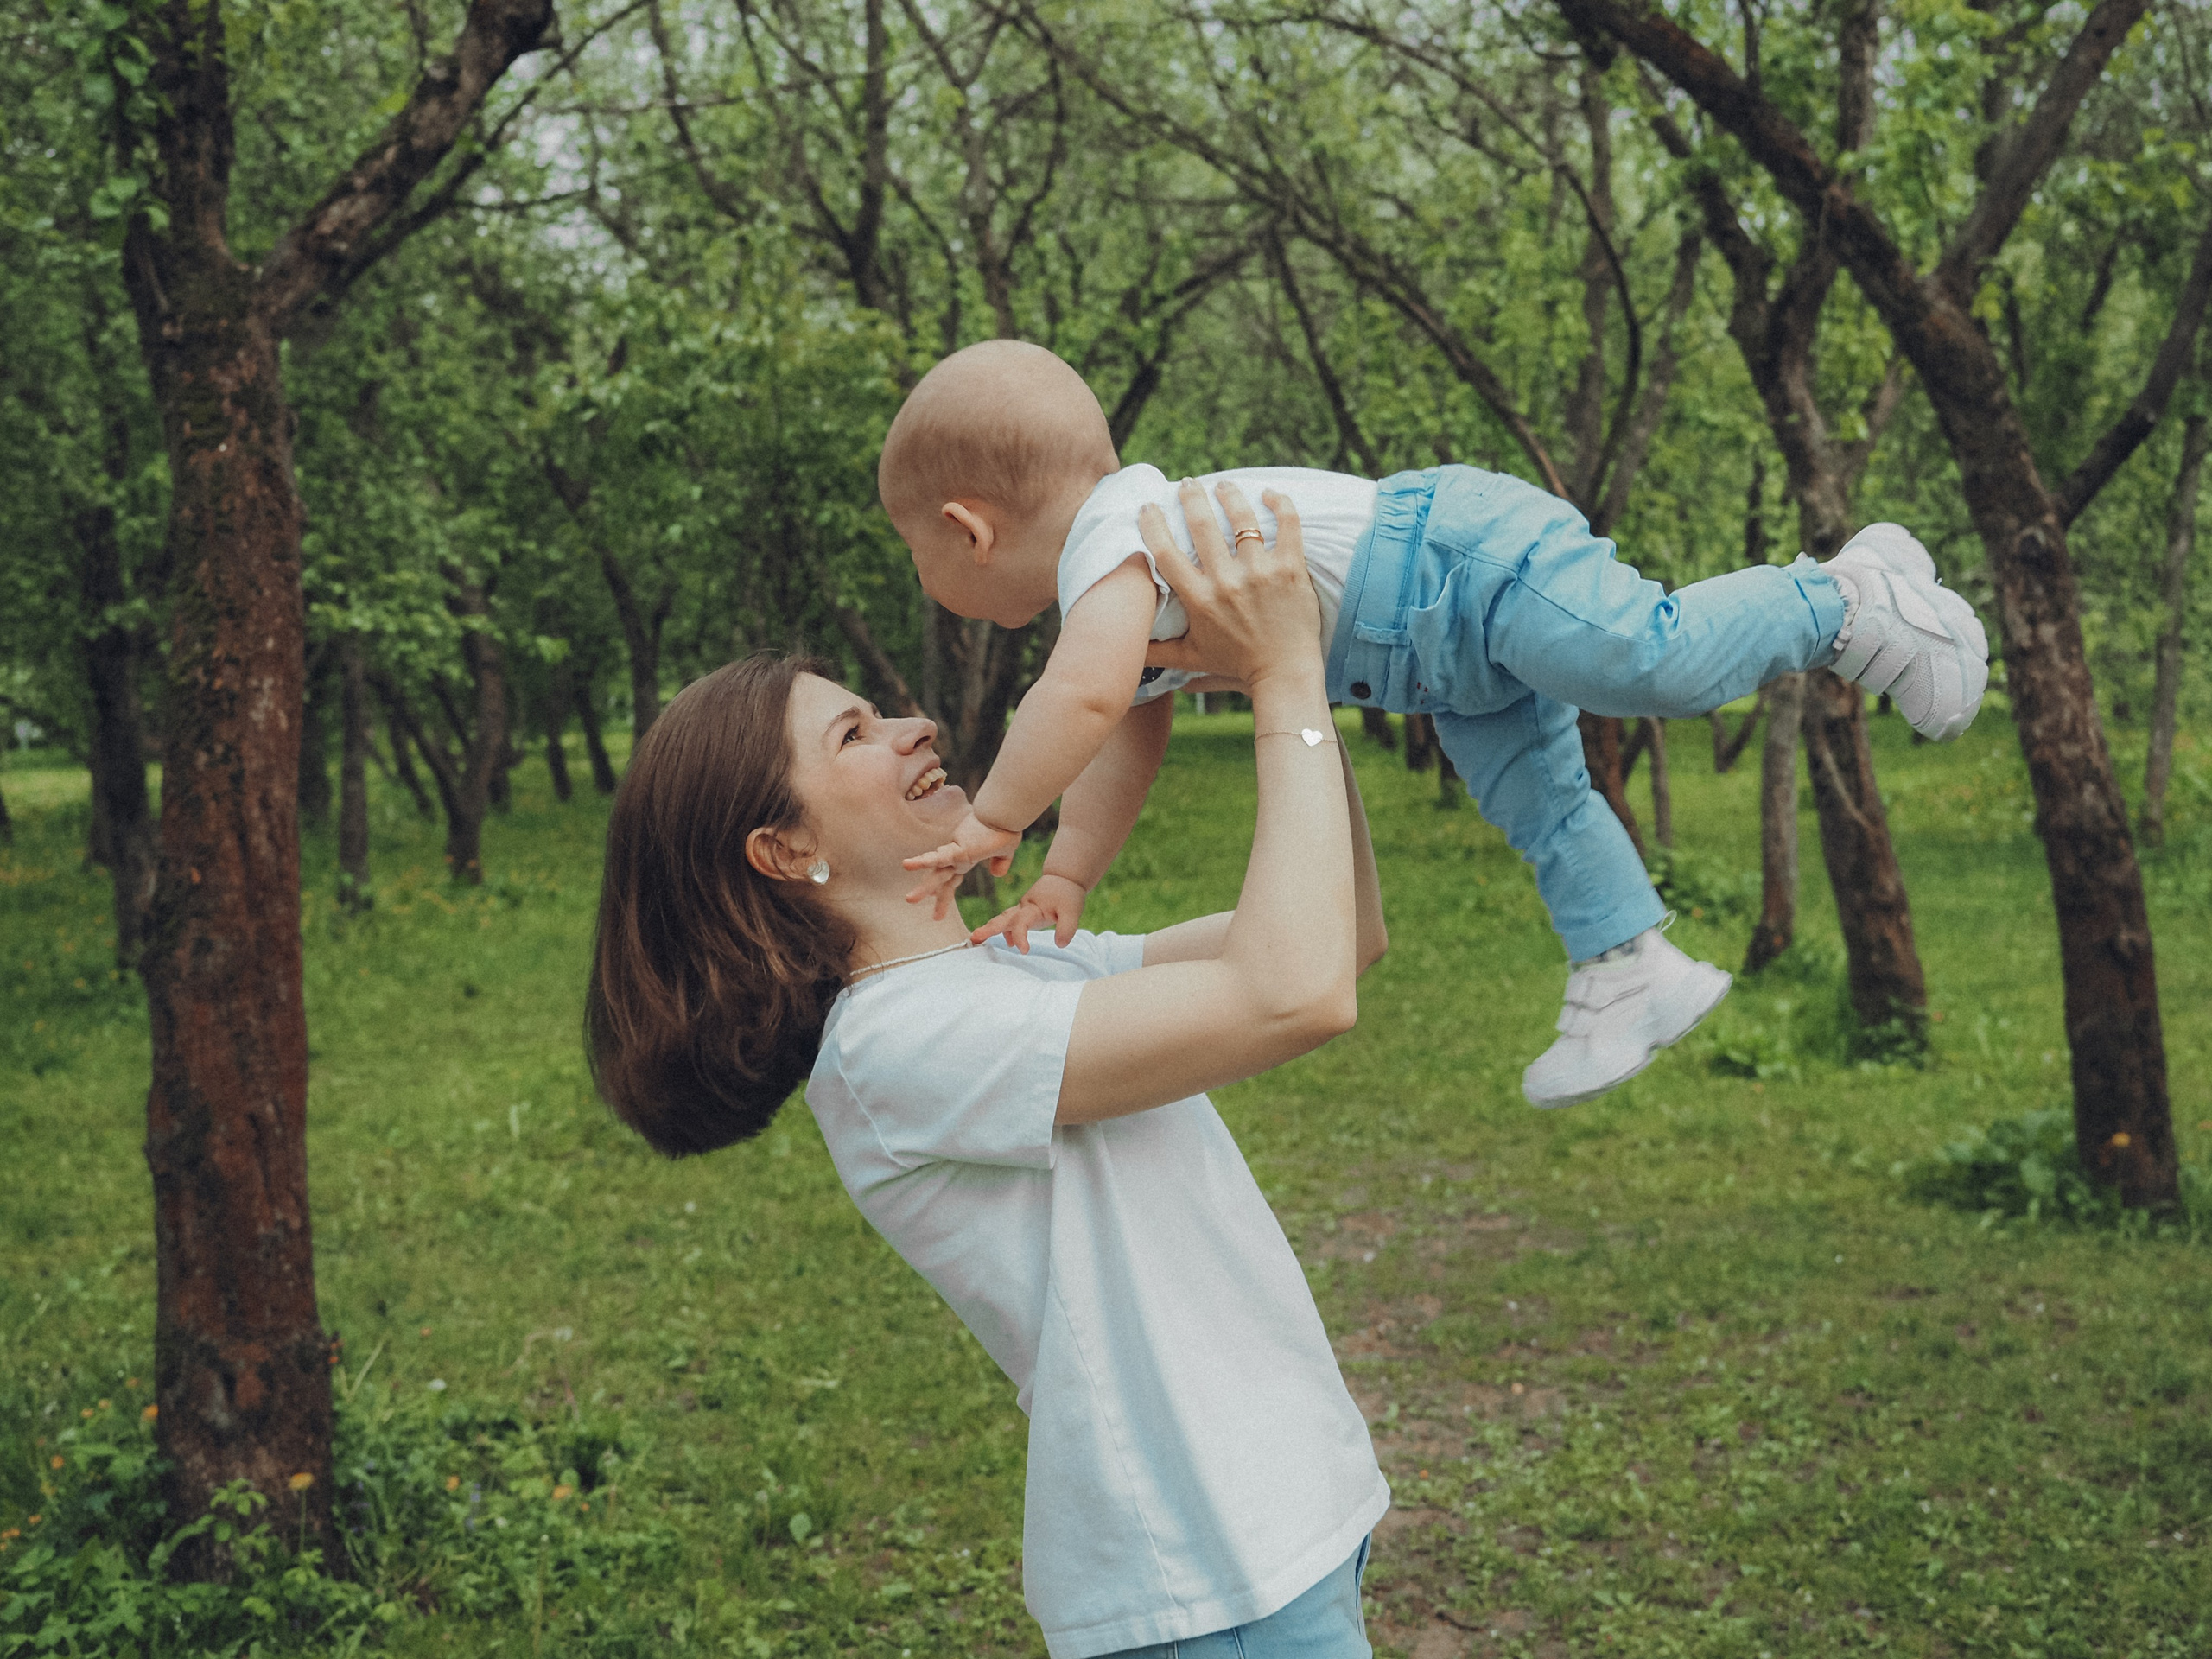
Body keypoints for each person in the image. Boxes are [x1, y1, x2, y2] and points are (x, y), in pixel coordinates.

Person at [588, 485, 1391, 1658]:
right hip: (1212, 1578)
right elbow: (1295, 993)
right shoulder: (894, 1049)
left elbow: (1340, 936)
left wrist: (1300, 662)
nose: (914, 727)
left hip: (1291, 1523)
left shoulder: (1015, 967)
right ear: (787, 850)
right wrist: (1283, 679)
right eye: (854, 736)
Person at [877, 340, 1990, 1107]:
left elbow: (1074, 700)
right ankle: (1626, 964)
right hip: (1436, 660)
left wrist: (997, 818)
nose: (927, 580)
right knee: (1541, 801)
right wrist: (1069, 871)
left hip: (1457, 563)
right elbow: (1125, 728)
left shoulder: (1116, 541)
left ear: (968, 530)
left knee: (1641, 656)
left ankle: (1845, 599)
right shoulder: (1126, 588)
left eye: (916, 556)